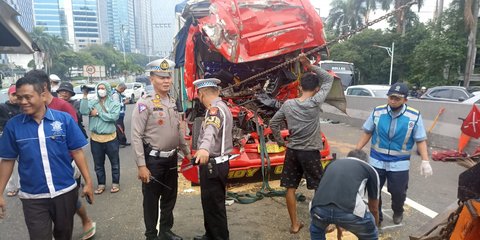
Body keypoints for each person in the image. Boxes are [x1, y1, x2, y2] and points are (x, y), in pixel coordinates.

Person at [0, 76, 94, 240]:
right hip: (33, 197)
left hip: (64, 191)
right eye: (19, 97)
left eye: (28, 97)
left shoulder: (63, 120)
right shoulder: (13, 126)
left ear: (43, 95)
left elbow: (77, 152)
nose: (23, 101)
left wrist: (89, 182)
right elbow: (8, 160)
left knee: (63, 234)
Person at [269, 53, 334, 234]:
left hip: (292, 151)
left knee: (290, 187)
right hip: (310, 151)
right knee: (319, 187)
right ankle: (325, 224)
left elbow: (273, 123)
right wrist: (308, 64)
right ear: (316, 88)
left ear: (300, 86)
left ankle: (294, 224)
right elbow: (328, 78)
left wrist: (281, 141)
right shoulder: (315, 102)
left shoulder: (288, 104)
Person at [355, 82, 433, 225]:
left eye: (397, 98)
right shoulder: (378, 112)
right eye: (391, 97)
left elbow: (420, 140)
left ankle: (398, 211)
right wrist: (356, 151)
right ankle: (376, 216)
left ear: (405, 100)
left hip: (399, 163)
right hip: (376, 160)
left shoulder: (414, 116)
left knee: (398, 192)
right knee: (374, 190)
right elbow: (367, 132)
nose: (393, 101)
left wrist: (425, 160)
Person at [132, 58, 191, 240]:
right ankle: (151, 235)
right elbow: (136, 136)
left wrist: (187, 153)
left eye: (168, 77)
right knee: (151, 201)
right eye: (161, 77)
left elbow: (178, 130)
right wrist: (142, 165)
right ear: (151, 79)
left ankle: (166, 231)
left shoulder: (172, 102)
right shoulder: (145, 104)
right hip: (153, 161)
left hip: (171, 158)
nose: (166, 81)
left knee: (169, 197)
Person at [192, 78, 233, 240]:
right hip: (219, 164)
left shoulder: (214, 109)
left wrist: (203, 148)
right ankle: (210, 235)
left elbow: (210, 129)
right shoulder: (224, 107)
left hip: (213, 166)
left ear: (201, 95)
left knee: (214, 208)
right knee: (210, 204)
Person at [56, 82, 96, 239]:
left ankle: (86, 220)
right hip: (49, 160)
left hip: (69, 156)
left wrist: (88, 181)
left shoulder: (70, 107)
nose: (64, 94)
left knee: (70, 195)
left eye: (67, 92)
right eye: (61, 91)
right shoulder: (37, 108)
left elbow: (75, 146)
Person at [310, 149, 380, 240]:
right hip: (349, 211)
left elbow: (333, 200)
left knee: (316, 230)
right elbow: (374, 208)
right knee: (370, 235)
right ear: (366, 161)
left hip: (318, 208)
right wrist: (374, 228)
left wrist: (339, 230)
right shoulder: (369, 169)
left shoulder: (332, 164)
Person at [80, 81, 121, 194]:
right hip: (96, 139)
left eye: (103, 88)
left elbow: (114, 117)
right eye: (99, 88)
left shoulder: (114, 104)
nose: (101, 90)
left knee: (115, 163)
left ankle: (115, 183)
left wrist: (98, 114)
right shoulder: (92, 103)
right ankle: (101, 184)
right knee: (98, 164)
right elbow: (83, 111)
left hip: (110, 139)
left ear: (107, 90)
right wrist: (84, 95)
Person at [0, 85, 21, 197]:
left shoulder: (23, 107)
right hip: (8, 139)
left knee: (25, 162)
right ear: (8, 95)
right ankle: (12, 187)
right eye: (13, 94)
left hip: (22, 138)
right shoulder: (3, 107)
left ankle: (25, 184)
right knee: (9, 164)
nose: (16, 97)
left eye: (18, 95)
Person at [111, 82, 130, 147]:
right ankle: (121, 142)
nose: (123, 91)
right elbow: (116, 105)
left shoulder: (118, 93)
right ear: (121, 88)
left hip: (120, 114)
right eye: (123, 90)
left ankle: (122, 142)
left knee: (121, 128)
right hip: (117, 114)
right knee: (119, 128)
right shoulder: (115, 94)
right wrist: (124, 102)